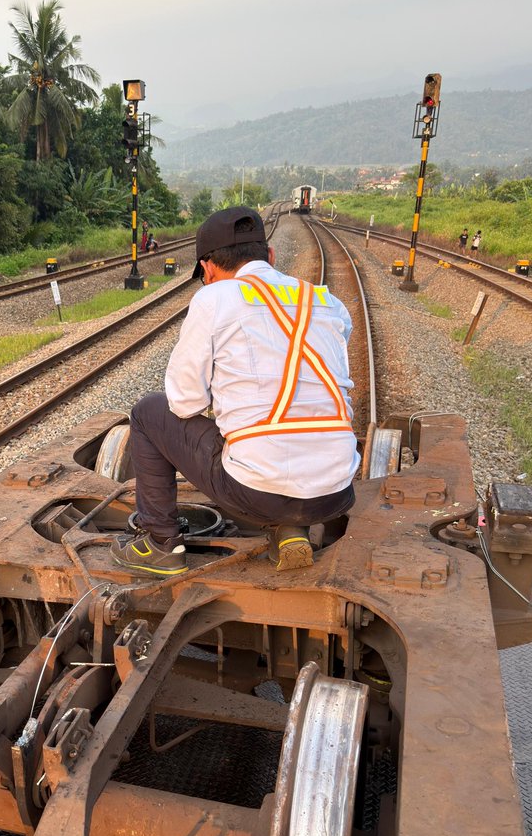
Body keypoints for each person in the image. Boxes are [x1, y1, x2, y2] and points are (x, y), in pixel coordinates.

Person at [111, 206, 360, 578]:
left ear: (208, 269)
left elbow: (184, 401)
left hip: (256, 492)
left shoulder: (214, 299)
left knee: (149, 412)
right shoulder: (328, 302)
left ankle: (159, 544)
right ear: (270, 256)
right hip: (336, 494)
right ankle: (289, 530)